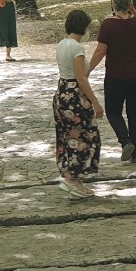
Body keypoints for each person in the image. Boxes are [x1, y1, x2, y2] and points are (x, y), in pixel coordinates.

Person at [88, 0, 136, 164]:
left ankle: (125, 141)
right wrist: (133, 8)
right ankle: (135, 153)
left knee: (113, 112)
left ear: (113, 4)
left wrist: (88, 69)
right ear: (129, 4)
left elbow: (101, 51)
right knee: (135, 114)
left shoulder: (108, 25)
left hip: (116, 75)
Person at [53, 10, 104, 198]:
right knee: (84, 136)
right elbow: (81, 78)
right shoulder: (77, 48)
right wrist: (95, 102)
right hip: (75, 97)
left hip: (62, 93)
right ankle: (73, 179)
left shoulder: (61, 44)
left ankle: (71, 176)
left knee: (67, 136)